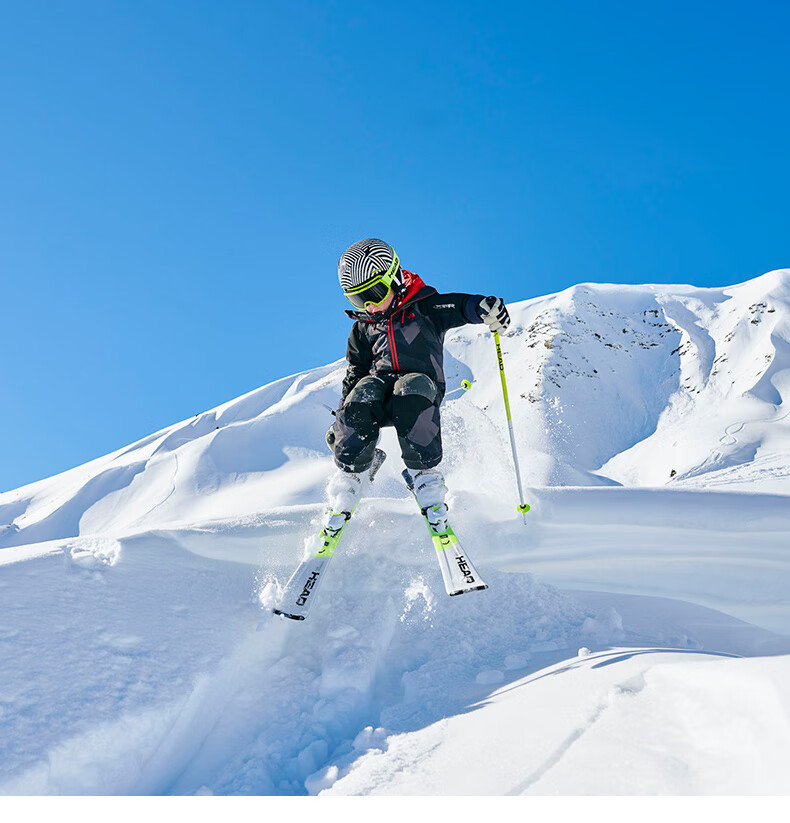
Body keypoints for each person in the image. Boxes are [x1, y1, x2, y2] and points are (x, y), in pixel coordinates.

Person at [326, 238, 510, 533]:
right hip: (379, 393)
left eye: (375, 293)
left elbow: (461, 306)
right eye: (358, 299)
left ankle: (425, 478)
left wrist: (483, 307)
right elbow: (354, 374)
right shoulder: (363, 328)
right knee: (362, 393)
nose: (370, 305)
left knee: (409, 388)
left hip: (418, 391)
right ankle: (351, 479)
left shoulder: (425, 307)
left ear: (395, 278)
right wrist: (341, 422)